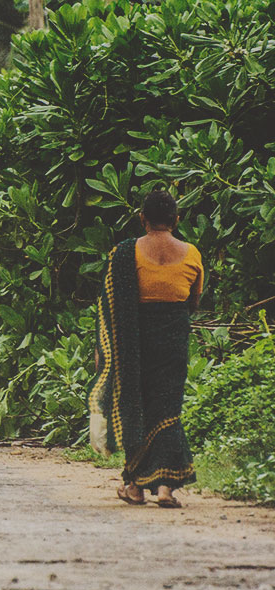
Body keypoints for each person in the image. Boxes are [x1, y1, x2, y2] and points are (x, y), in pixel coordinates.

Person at [89, 190, 202, 509]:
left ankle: (135, 488)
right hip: (173, 341)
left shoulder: (126, 253)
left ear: (142, 218)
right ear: (176, 220)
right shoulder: (192, 253)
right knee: (167, 410)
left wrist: (103, 349)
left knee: (134, 407)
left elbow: (109, 306)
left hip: (133, 344)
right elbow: (192, 302)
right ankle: (165, 489)